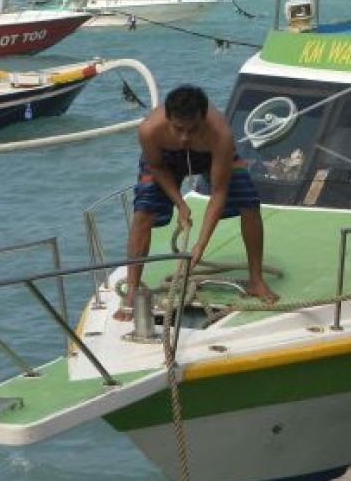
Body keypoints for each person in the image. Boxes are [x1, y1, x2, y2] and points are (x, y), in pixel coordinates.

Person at [117, 85, 275, 321]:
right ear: (167, 118)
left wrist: (200, 245)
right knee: (143, 213)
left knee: (249, 203)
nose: (185, 137)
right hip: (166, 160)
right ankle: (132, 290)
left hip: (209, 154)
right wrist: (179, 203)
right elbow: (157, 167)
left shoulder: (220, 135)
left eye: (193, 130)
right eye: (178, 129)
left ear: (203, 119)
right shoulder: (149, 131)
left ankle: (256, 279)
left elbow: (219, 192)